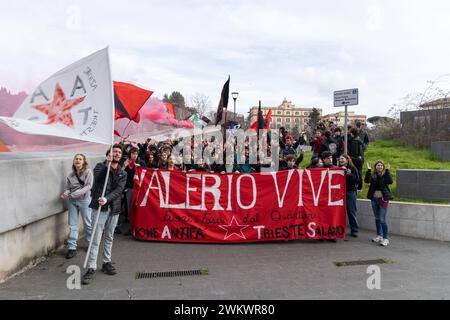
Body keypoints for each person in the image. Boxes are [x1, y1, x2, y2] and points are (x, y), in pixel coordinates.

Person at [82, 144, 127, 285]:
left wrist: (107, 198)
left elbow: (119, 190)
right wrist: (107, 164)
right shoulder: (100, 167)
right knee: (96, 239)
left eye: (119, 152)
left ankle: (106, 262)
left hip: (113, 208)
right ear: (109, 154)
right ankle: (91, 267)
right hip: (99, 209)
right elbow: (97, 178)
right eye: (115, 151)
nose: (117, 154)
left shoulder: (122, 173)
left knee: (109, 236)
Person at [61, 154, 93, 259]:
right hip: (72, 202)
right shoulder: (70, 175)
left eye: (80, 159)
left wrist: (74, 194)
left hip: (84, 200)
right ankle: (72, 247)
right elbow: (68, 188)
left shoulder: (88, 172)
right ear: (74, 161)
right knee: (72, 224)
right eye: (76, 159)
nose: (78, 160)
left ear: (84, 161)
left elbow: (88, 186)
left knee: (88, 223)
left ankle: (91, 244)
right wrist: (65, 193)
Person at [365, 160, 393, 247]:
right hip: (374, 199)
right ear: (375, 167)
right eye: (378, 165)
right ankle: (379, 235)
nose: (379, 166)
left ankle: (385, 238)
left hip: (383, 199)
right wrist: (369, 171)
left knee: (382, 219)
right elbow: (366, 180)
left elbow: (390, 181)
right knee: (377, 218)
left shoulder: (385, 175)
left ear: (383, 167)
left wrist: (387, 171)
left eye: (381, 165)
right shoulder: (373, 175)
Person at [338, 154, 360, 238]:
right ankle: (338, 229)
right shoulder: (337, 168)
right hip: (339, 192)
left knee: (351, 211)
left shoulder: (352, 168)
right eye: (340, 159)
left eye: (342, 158)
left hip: (350, 192)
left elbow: (357, 179)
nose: (341, 160)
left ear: (347, 159)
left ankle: (354, 230)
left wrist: (349, 174)